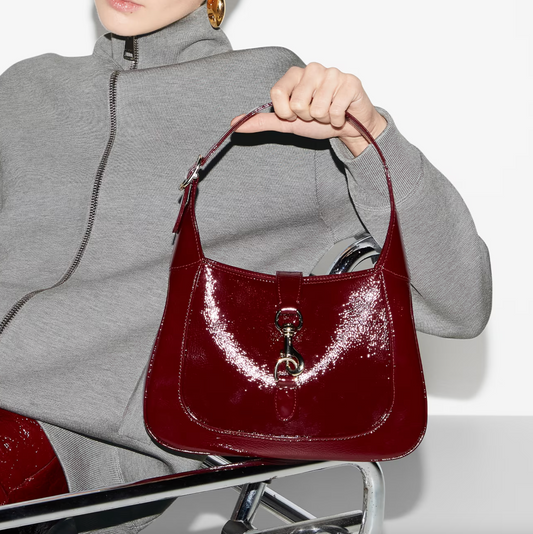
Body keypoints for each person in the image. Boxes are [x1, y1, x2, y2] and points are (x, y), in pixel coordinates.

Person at [0, 0, 492, 532]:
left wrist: (369, 137)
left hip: (77, 437)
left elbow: (462, 302)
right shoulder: (28, 90)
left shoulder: (280, 102)